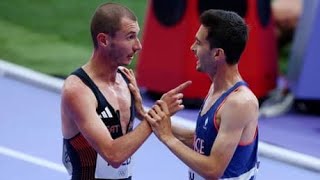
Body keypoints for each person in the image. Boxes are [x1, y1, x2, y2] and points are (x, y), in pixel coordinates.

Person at [60, 2, 191, 180]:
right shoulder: (78, 89)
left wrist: (144, 114)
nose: (138, 45)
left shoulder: (125, 78)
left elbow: (145, 126)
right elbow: (113, 154)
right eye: (130, 37)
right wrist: (158, 113)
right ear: (104, 40)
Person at [144, 9, 260, 180]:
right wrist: (148, 116)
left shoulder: (240, 102)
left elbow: (213, 170)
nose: (192, 48)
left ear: (217, 54)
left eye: (198, 43)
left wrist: (167, 137)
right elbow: (202, 142)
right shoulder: (217, 88)